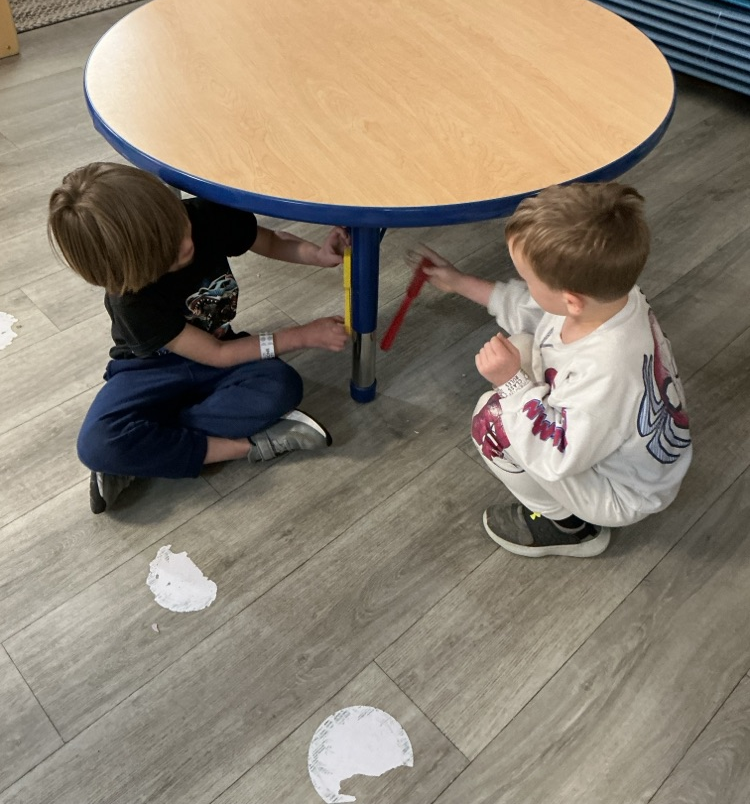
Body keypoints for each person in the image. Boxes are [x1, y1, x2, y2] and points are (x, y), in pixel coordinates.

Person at [48, 162, 350, 513]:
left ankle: (151, 451)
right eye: (168, 254)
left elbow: (267, 239)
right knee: (97, 445)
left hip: (217, 355)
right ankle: (242, 447)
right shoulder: (130, 300)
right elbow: (218, 353)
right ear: (128, 273)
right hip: (148, 369)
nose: (186, 243)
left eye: (180, 225)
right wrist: (300, 336)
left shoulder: (204, 216)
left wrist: (318, 255)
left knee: (281, 385)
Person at [414, 182, 692, 558]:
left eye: (528, 278)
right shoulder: (611, 299)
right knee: (523, 345)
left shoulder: (607, 371)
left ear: (571, 300)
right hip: (614, 446)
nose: (525, 285)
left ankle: (570, 527)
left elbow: (558, 454)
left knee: (491, 422)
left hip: (622, 492)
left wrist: (510, 384)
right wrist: (461, 283)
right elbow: (539, 310)